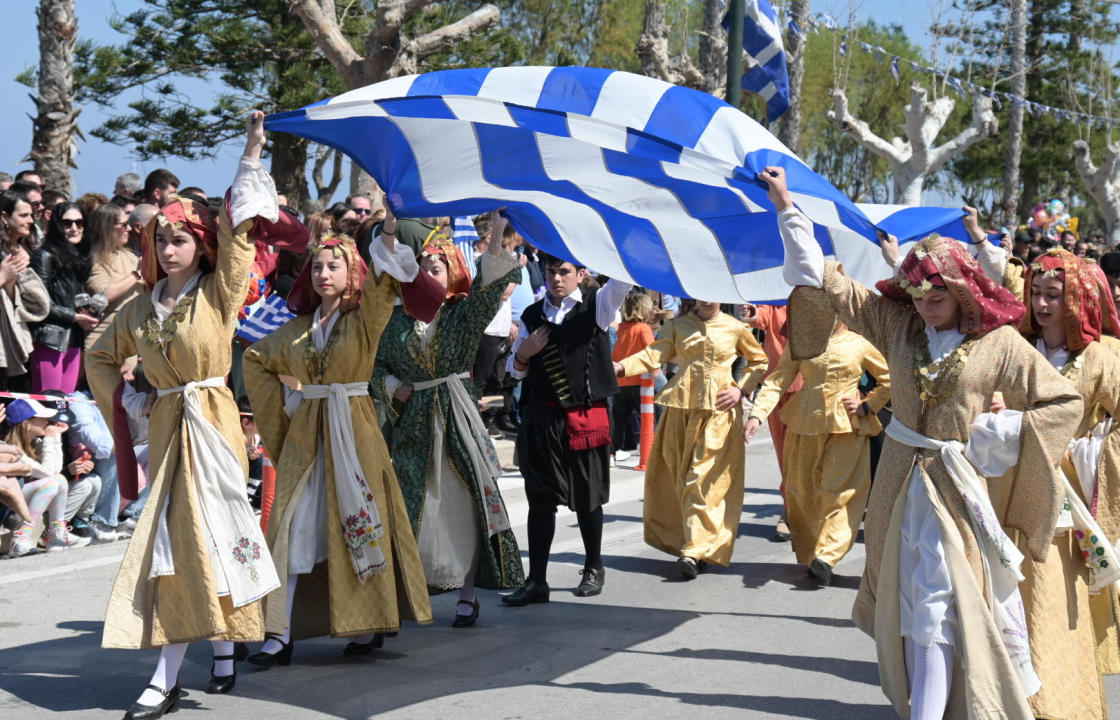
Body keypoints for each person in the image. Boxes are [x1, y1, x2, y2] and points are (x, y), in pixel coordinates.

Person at [764, 165, 1082, 719]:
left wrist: (992, 435)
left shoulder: (1001, 344)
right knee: (909, 605)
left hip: (955, 494)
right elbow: (827, 279)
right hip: (896, 488)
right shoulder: (898, 327)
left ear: (962, 291)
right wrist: (786, 206)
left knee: (936, 604)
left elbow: (1063, 403)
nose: (925, 303)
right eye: (915, 292)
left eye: (936, 293)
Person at [85, 113, 280, 718]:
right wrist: (133, 400)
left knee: (197, 539)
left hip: (214, 426)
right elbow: (99, 354)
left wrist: (251, 154)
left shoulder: (220, 292)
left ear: (200, 245)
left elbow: (242, 235)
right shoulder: (140, 305)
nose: (168, 249)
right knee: (186, 541)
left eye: (179, 240)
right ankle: (216, 652)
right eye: (160, 240)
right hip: (171, 429)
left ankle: (173, 670)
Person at [242, 189, 435, 667]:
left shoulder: (364, 319)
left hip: (354, 431)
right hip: (308, 439)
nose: (323, 274)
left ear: (352, 275)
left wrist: (388, 228)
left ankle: (368, 624)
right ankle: (277, 633)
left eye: (334, 267)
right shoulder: (299, 329)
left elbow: (386, 283)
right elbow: (254, 359)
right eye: (317, 268)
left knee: (360, 524)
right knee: (290, 527)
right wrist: (285, 416)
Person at [373, 209, 525, 627]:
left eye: (435, 266)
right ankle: (409, 588)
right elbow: (375, 365)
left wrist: (496, 226)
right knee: (409, 505)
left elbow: (492, 281)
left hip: (455, 415)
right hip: (413, 421)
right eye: (422, 265)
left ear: (452, 273)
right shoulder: (397, 321)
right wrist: (391, 387)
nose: (427, 271)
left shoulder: (463, 313)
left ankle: (469, 590)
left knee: (462, 504)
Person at [1014, 247, 1120, 719]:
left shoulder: (1098, 359)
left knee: (1057, 607)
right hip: (1005, 494)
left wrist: (1092, 452)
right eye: (1036, 292)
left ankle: (1061, 706)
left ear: (1075, 298)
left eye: (1053, 294)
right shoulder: (1013, 346)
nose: (1041, 303)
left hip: (1065, 501)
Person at [502, 255, 631, 604]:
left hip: (583, 417)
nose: (557, 278)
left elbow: (623, 281)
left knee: (587, 497)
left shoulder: (597, 306)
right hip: (542, 418)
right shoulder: (531, 314)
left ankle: (593, 566)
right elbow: (515, 374)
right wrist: (525, 354)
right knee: (540, 500)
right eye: (551, 272)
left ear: (581, 274)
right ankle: (537, 582)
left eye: (564, 272)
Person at [614, 299, 767, 579]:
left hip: (719, 413)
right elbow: (653, 355)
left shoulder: (736, 327)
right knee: (680, 477)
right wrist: (621, 367)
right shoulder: (675, 325)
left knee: (702, 480)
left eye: (713, 292)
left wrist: (741, 390)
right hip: (679, 410)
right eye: (701, 292)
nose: (707, 298)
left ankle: (694, 550)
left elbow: (759, 362)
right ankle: (693, 543)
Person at [744, 321, 890, 585]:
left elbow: (888, 379)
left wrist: (867, 404)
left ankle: (827, 556)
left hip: (846, 427)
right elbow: (778, 380)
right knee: (801, 489)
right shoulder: (801, 342)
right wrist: (757, 414)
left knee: (842, 492)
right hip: (804, 424)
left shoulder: (859, 343)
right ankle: (814, 554)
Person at [740, 301, 802, 542]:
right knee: (785, 455)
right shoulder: (776, 300)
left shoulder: (816, 298)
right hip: (777, 388)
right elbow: (761, 315)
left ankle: (809, 512)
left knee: (808, 457)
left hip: (811, 390)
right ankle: (788, 511)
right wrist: (751, 312)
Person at [4, 398, 90, 556]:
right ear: (26, 423)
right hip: (7, 504)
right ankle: (21, 537)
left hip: (21, 501)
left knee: (60, 480)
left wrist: (55, 438)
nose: (47, 421)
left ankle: (56, 533)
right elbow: (48, 472)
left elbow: (55, 471)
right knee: (51, 483)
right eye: (41, 418)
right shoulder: (11, 449)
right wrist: (51, 438)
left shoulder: (35, 442)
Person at [29, 202, 99, 393]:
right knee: (48, 405)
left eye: (79, 223)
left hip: (74, 338)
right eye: (67, 223)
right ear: (57, 225)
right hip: (49, 338)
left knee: (64, 407)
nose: (74, 228)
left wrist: (85, 313)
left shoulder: (82, 257)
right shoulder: (44, 255)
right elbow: (39, 303)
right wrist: (74, 316)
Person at [0, 189, 50, 392]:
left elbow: (14, 303)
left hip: (13, 343)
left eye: (31, 215)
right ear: (4, 217)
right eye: (23, 215)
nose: (30, 220)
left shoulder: (24, 250)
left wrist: (12, 281)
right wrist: (3, 274)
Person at [85, 202, 143, 351]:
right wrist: (137, 274)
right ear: (107, 228)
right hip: (103, 343)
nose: (128, 229)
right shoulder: (94, 259)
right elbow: (104, 293)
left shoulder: (130, 256)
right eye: (123, 225)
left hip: (131, 341)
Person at [610, 293, 656, 462]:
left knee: (618, 422)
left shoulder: (621, 328)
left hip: (620, 382)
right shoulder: (643, 328)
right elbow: (653, 352)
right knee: (649, 418)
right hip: (640, 382)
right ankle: (650, 451)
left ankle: (612, 453)